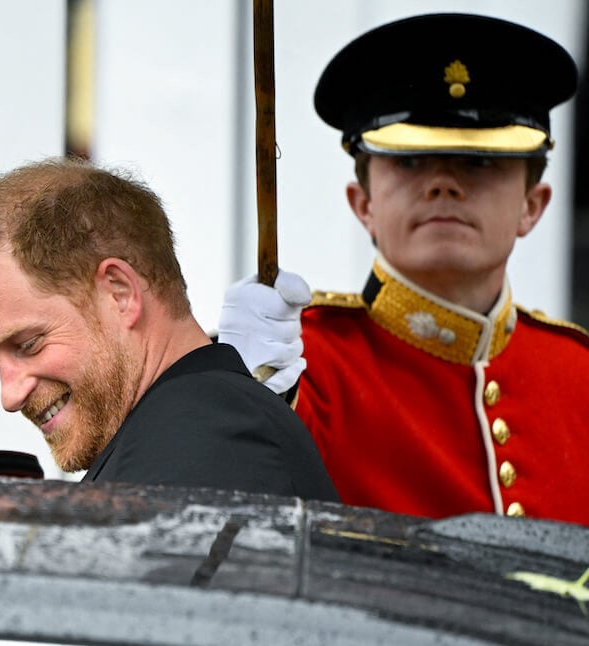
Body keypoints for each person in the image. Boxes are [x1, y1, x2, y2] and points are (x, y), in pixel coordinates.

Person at [218, 13, 589, 525]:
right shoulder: (299, 366)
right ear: (362, 202)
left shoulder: (578, 374)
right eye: (410, 162)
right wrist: (229, 387)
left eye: (478, 163)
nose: (443, 184)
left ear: (533, 204)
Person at [0, 157, 339, 501]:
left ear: (120, 293)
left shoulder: (205, 440)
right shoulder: (180, 433)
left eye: (29, 344)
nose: (10, 396)